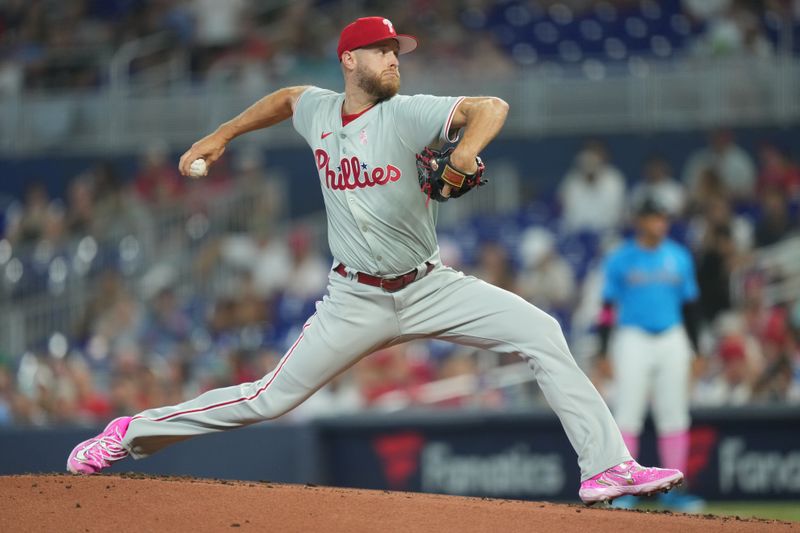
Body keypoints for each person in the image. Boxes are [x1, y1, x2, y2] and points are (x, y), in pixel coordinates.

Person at [66, 16, 683, 504]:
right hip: (354, 298)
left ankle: (606, 468)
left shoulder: (405, 112)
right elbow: (284, 99)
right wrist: (222, 135)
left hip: (429, 285)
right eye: (383, 50)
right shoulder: (318, 111)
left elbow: (490, 106)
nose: (394, 58)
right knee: (267, 399)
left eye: (397, 50)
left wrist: (464, 152)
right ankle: (130, 434)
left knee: (542, 332)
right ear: (350, 61)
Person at [595, 197, 705, 512]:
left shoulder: (678, 256)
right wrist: (604, 350)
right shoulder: (620, 258)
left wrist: (697, 349)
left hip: (672, 336)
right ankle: (627, 489)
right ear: (640, 221)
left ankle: (675, 490)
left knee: (675, 415)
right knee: (628, 414)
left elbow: (691, 307)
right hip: (632, 338)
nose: (660, 223)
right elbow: (606, 309)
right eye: (654, 217)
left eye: (663, 217)